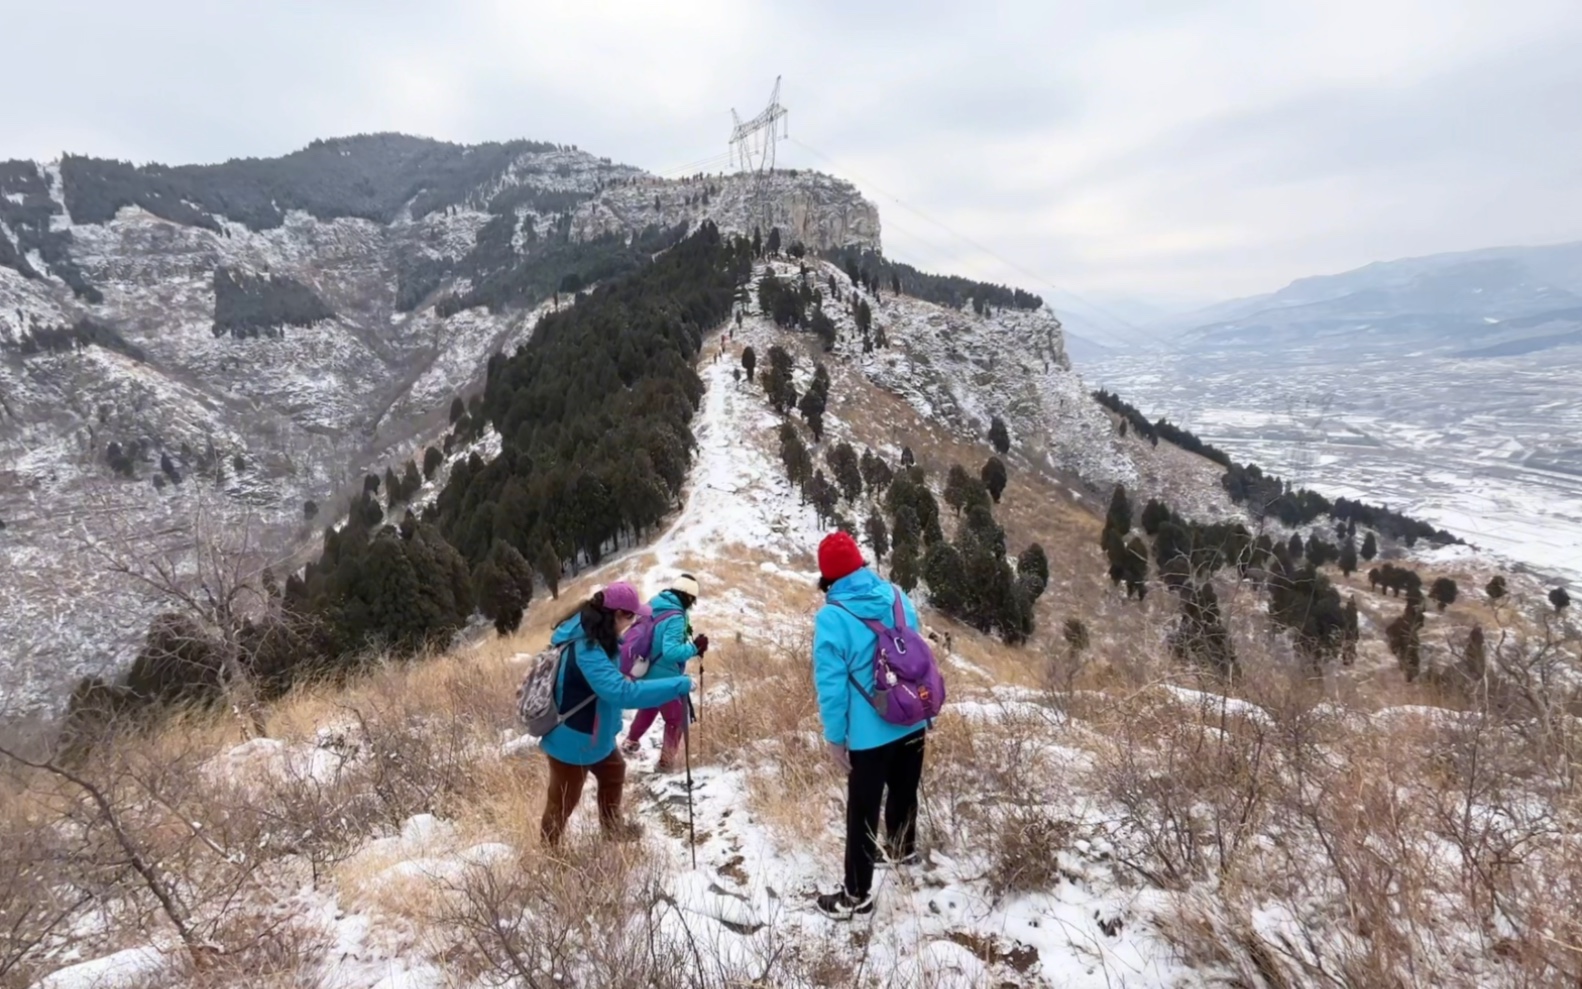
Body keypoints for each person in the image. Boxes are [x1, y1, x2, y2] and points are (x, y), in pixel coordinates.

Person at [810, 531, 929, 919]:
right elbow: (914, 650)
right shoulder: (896, 595)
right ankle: (902, 850)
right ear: (861, 563)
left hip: (868, 733)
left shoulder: (832, 617)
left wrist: (835, 738)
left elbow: (831, 687)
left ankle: (856, 896)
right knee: (904, 790)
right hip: (911, 715)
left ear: (827, 578)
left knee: (862, 812)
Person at [539, 581, 693, 846]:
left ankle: (612, 830)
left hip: (595, 733)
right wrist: (677, 685)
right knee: (563, 800)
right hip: (572, 739)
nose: (633, 623)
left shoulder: (596, 631)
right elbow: (622, 693)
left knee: (613, 772)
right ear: (617, 614)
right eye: (631, 617)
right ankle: (550, 852)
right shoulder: (587, 647)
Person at [621, 574, 709, 772]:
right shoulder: (676, 617)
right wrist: (694, 648)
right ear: (688, 596)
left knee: (650, 706)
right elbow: (671, 653)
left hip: (643, 668)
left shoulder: (655, 604)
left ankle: (631, 741)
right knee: (676, 719)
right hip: (664, 674)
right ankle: (666, 764)